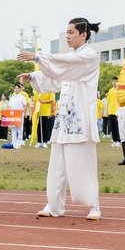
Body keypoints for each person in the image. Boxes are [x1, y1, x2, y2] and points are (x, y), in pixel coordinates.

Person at [17, 17, 102, 220]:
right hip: (63, 121)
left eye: (72, 32)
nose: (68, 36)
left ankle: (94, 206)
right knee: (57, 165)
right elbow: (58, 79)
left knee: (84, 164)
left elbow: (64, 66)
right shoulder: (70, 60)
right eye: (67, 32)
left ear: (84, 34)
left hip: (80, 121)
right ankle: (54, 205)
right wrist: (34, 77)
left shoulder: (89, 56)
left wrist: (38, 57)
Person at [6, 84, 28, 149]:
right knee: (13, 129)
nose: (16, 89)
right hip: (13, 114)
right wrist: (5, 111)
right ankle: (13, 142)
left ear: (20, 89)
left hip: (19, 114)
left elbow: (25, 105)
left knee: (20, 129)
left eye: (17, 88)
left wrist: (22, 111)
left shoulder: (22, 97)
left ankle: (19, 143)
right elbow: (10, 107)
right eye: (15, 88)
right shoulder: (12, 97)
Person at [106, 77, 120, 147]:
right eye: (113, 81)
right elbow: (108, 101)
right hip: (111, 111)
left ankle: (118, 140)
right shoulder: (110, 90)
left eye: (115, 81)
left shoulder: (119, 90)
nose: (114, 82)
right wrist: (107, 110)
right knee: (112, 127)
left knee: (117, 127)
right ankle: (114, 140)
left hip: (116, 111)